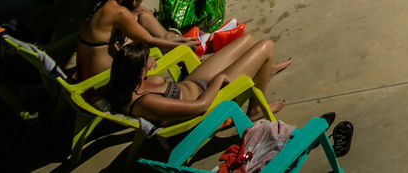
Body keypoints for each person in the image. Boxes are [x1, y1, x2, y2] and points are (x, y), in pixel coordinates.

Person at [98, 32, 286, 125]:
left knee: (248, 40)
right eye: (148, 60)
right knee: (266, 46)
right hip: (207, 95)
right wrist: (219, 79)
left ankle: (264, 71)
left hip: (193, 83)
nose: (153, 60)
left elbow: (91, 95)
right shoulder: (146, 102)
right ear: (138, 72)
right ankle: (253, 110)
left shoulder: (122, 84)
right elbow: (200, 107)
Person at [78, 0, 194, 78]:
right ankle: (174, 39)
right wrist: (184, 45)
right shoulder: (119, 12)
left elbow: (135, 4)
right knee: (156, 76)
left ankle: (171, 37)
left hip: (88, 71)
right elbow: (149, 40)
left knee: (139, 11)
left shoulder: (101, 1)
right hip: (102, 80)